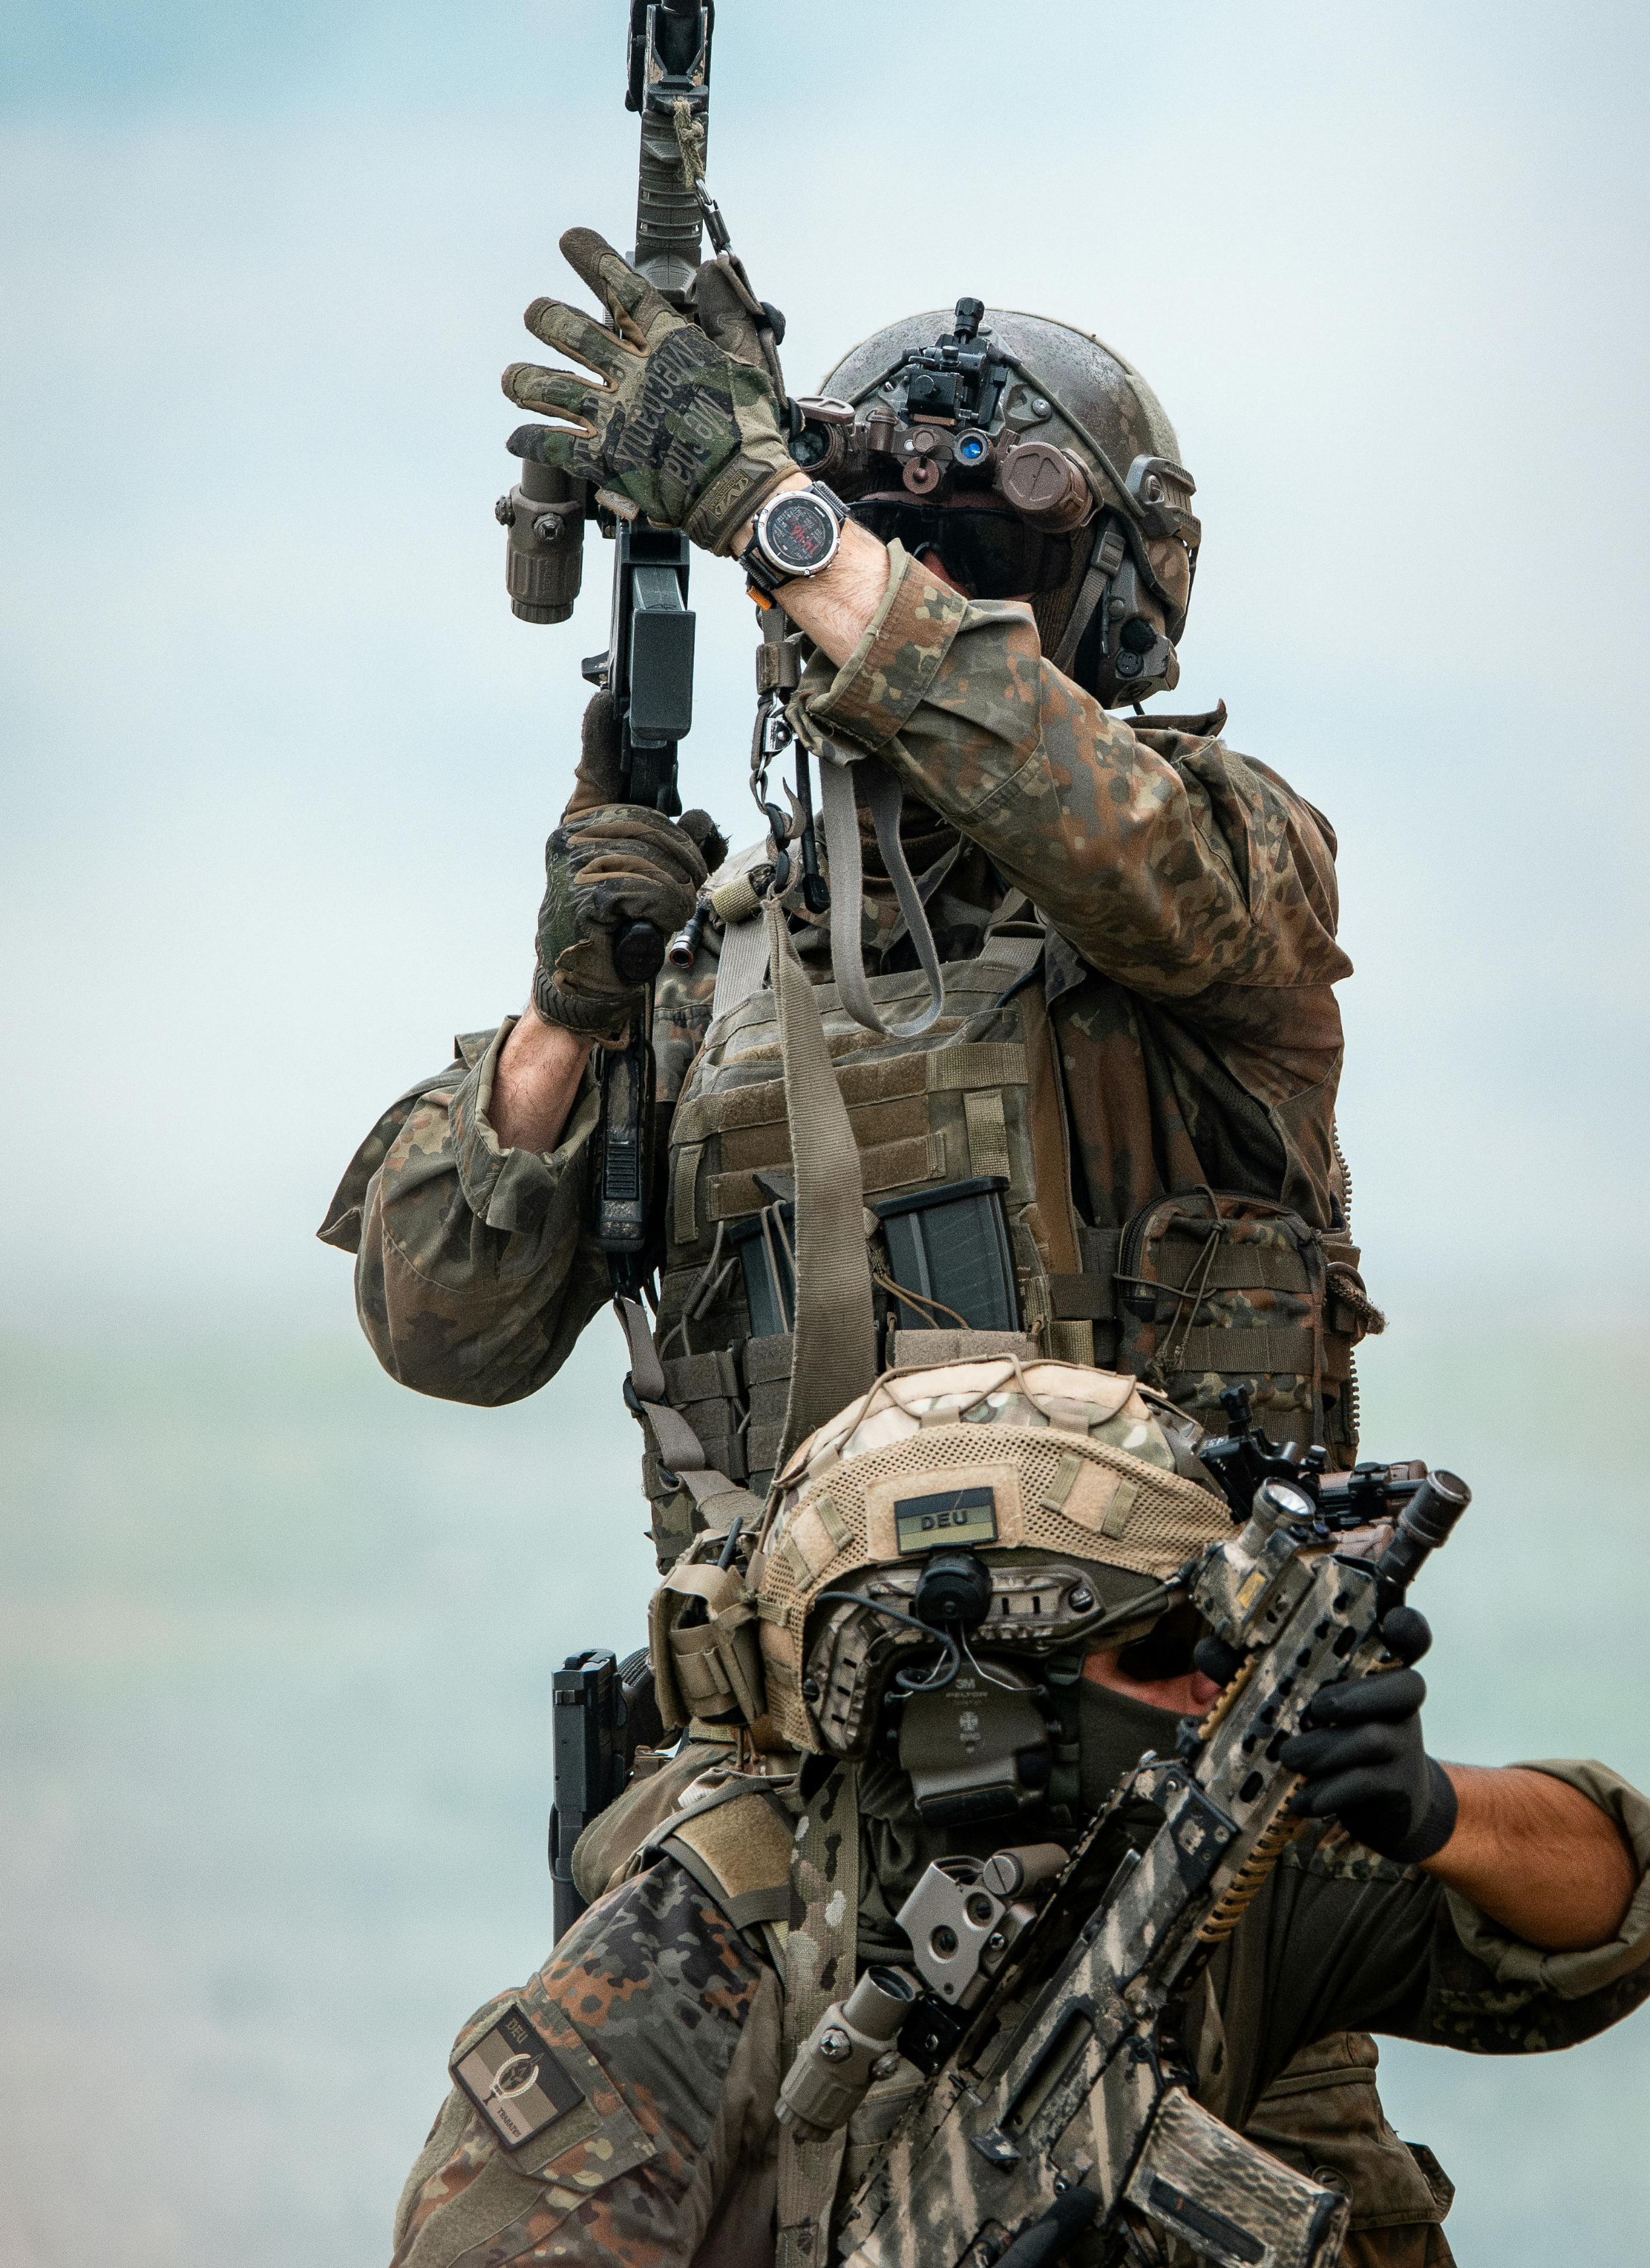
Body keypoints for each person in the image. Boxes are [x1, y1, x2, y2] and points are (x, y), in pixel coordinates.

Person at [319, 229, 1451, 2260]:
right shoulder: (711, 979)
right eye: (872, 547)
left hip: (1160, 1798)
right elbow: (441, 1316)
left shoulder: (1222, 878)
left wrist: (776, 507)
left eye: (959, 561)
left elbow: (1092, 824)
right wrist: (571, 1009)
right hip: (777, 1827)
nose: (896, 594)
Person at [378, 1360, 1650, 2268]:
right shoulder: (688, 1962)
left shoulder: (1190, 1856)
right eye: (1159, 1654)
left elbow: (1610, 1916)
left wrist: (1444, 1817)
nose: (1212, 1688)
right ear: (984, 1702)